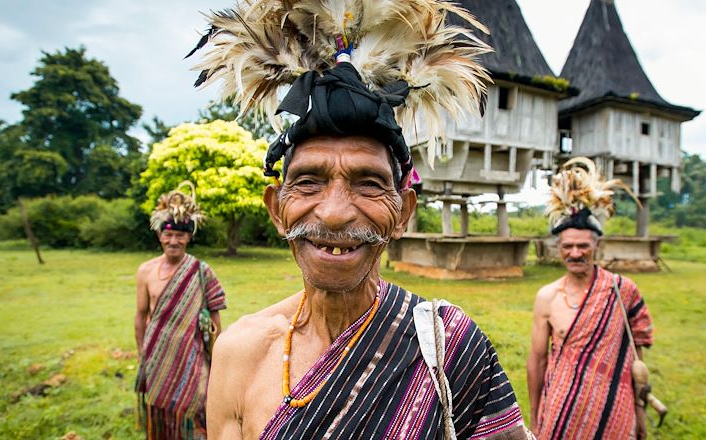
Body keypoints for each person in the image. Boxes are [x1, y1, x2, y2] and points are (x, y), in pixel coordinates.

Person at [186, 1, 531, 438]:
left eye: (368, 183)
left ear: (403, 212)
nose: (333, 213)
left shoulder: (449, 348)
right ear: (276, 208)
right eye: (309, 181)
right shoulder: (239, 352)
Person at [527, 158, 654, 440]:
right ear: (558, 248)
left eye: (583, 246)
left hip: (615, 411)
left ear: (597, 245)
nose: (575, 253)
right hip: (560, 412)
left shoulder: (623, 290)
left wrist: (639, 412)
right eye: (568, 246)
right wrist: (535, 418)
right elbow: (537, 360)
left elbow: (636, 360)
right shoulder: (546, 297)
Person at [134, 182, 226, 439]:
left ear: (189, 237)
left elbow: (216, 313)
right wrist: (143, 352)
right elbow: (141, 315)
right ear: (160, 235)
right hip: (157, 354)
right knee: (160, 409)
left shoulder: (201, 271)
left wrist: (215, 353)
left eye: (180, 235)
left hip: (192, 355)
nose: (173, 240)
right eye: (168, 234)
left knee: (197, 403)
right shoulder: (145, 271)